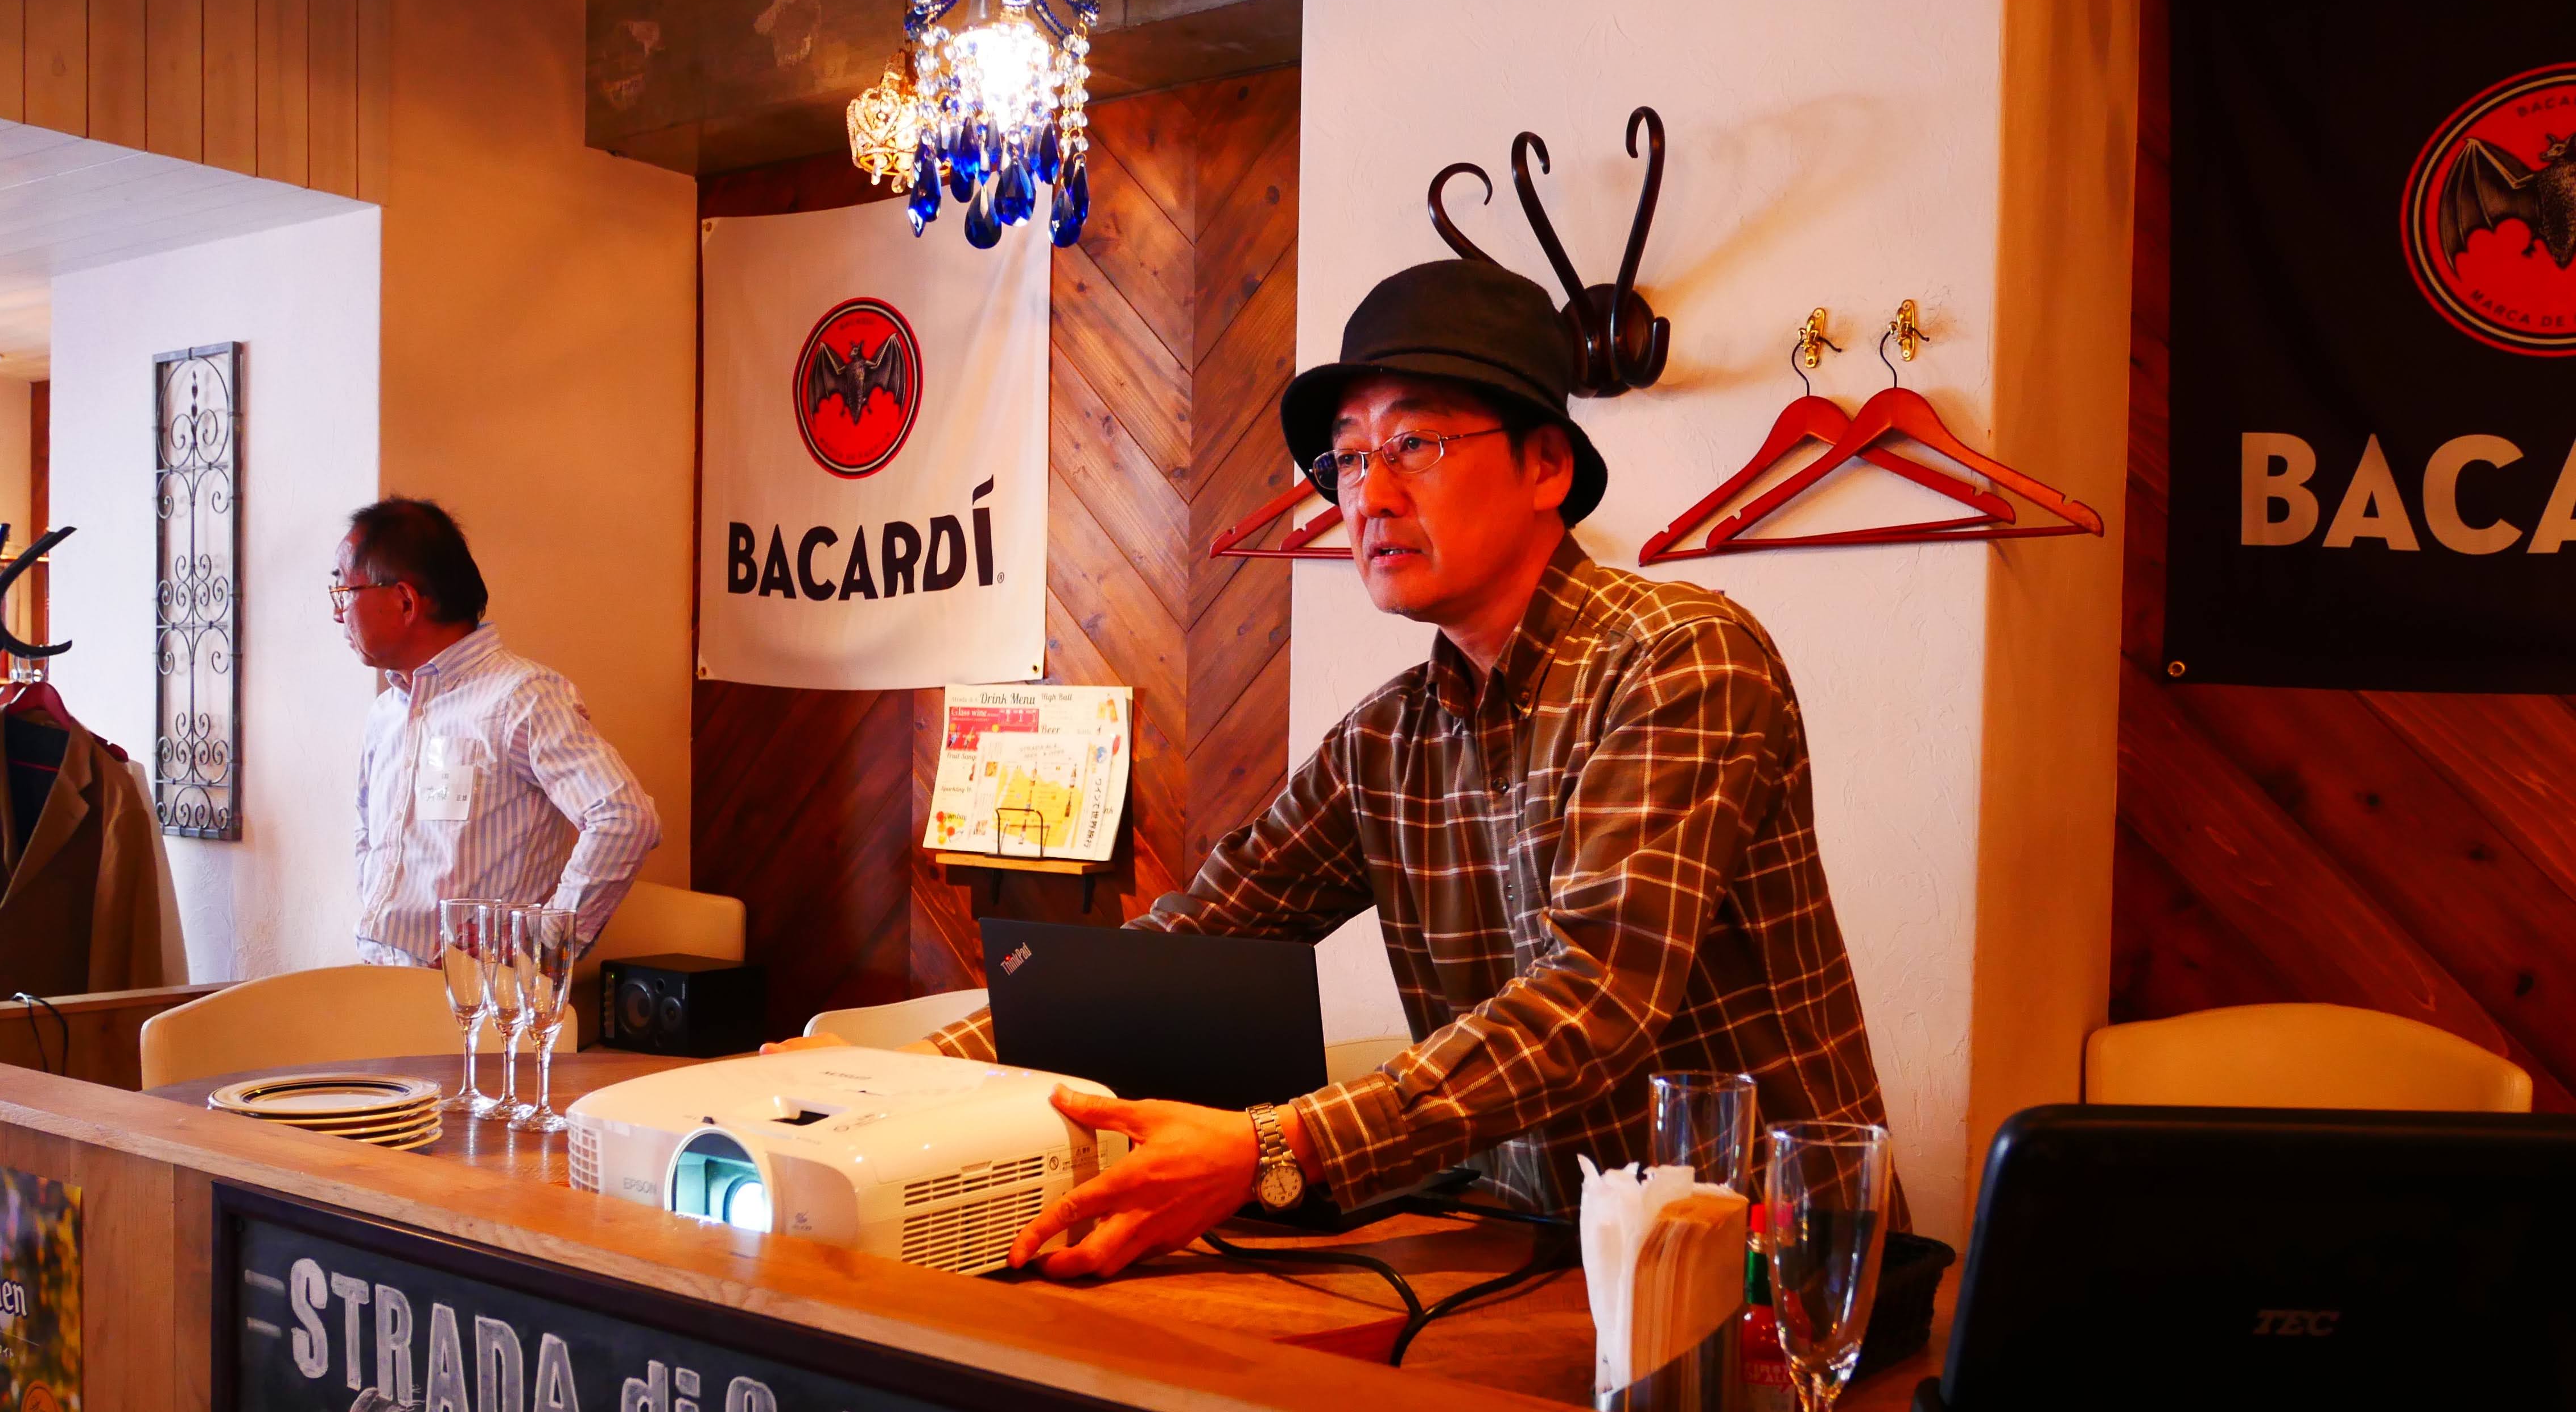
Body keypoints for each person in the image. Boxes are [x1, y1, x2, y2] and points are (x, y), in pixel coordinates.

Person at [817, 260, 1887, 1278]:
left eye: (1414, 444)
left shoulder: (1680, 657)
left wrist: (1270, 1148)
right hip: (1539, 1255)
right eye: (1348, 459)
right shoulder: (1389, 738)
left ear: (1546, 467)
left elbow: (1593, 999)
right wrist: (904, 1073)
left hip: (1768, 1266)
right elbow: (1198, 937)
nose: (1368, 496)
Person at [336, 496, 660, 965]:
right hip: (373, 981)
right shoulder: (387, 711)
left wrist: (543, 938)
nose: (338, 612)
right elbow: (369, 838)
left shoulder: (521, 698)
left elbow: (624, 818)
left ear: (405, 601)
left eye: (346, 591)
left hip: (471, 996)